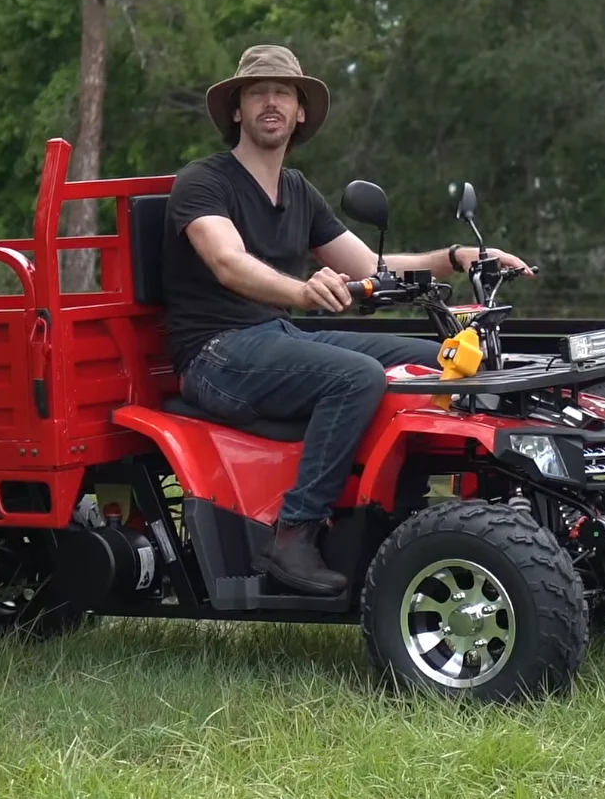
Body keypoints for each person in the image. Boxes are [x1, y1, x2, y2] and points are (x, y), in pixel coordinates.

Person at [160, 44, 532, 595]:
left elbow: (374, 268)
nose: (270, 102)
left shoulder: (297, 190)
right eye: (257, 93)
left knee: (438, 362)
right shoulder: (204, 181)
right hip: (215, 354)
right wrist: (301, 290)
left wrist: (458, 257)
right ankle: (295, 534)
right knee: (355, 376)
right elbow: (227, 261)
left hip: (273, 336)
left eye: (282, 93)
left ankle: (415, 517)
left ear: (300, 112)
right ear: (236, 110)